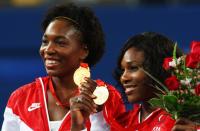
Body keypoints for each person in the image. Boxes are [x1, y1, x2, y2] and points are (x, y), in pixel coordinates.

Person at [1, 3, 123, 131]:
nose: (48, 50)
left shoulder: (105, 99)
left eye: (60, 43)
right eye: (45, 42)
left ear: (84, 50)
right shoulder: (21, 98)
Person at [72, 32, 200, 131]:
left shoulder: (184, 119)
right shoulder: (125, 122)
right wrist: (93, 117)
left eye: (133, 68)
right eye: (123, 70)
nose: (124, 77)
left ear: (158, 68)